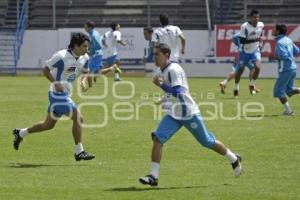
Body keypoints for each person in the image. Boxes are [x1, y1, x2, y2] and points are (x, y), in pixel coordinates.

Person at [139, 43, 242, 186]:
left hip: (188, 112)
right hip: (174, 114)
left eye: (157, 54)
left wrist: (161, 86)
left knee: (207, 141)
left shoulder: (173, 70)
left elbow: (179, 92)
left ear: (166, 55)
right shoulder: (163, 69)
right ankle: (153, 176)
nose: (154, 57)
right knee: (158, 138)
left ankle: (233, 158)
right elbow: (174, 92)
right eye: (154, 54)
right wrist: (164, 99)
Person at [12, 33, 95, 161]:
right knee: (79, 118)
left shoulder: (85, 58)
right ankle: (79, 152)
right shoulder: (61, 56)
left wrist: (84, 82)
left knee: (48, 125)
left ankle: (21, 133)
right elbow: (45, 70)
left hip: (66, 94)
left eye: (87, 47)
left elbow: (85, 73)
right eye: (84, 46)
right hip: (56, 95)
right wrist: (55, 83)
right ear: (76, 46)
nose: (87, 49)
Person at [234, 10, 264, 97]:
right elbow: (242, 41)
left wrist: (260, 43)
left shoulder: (261, 25)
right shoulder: (244, 27)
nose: (257, 19)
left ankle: (252, 85)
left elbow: (260, 35)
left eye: (258, 17)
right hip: (245, 51)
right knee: (240, 70)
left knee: (258, 67)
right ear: (250, 18)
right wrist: (256, 40)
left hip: (255, 50)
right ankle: (236, 87)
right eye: (255, 17)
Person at [273, 24, 300, 115]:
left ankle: (289, 111)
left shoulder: (280, 42)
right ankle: (288, 111)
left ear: (278, 31)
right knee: (289, 91)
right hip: (292, 67)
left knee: (278, 91)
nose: (273, 31)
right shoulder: (289, 40)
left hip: (285, 69)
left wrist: (274, 57)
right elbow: (297, 51)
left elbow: (283, 56)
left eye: (274, 29)